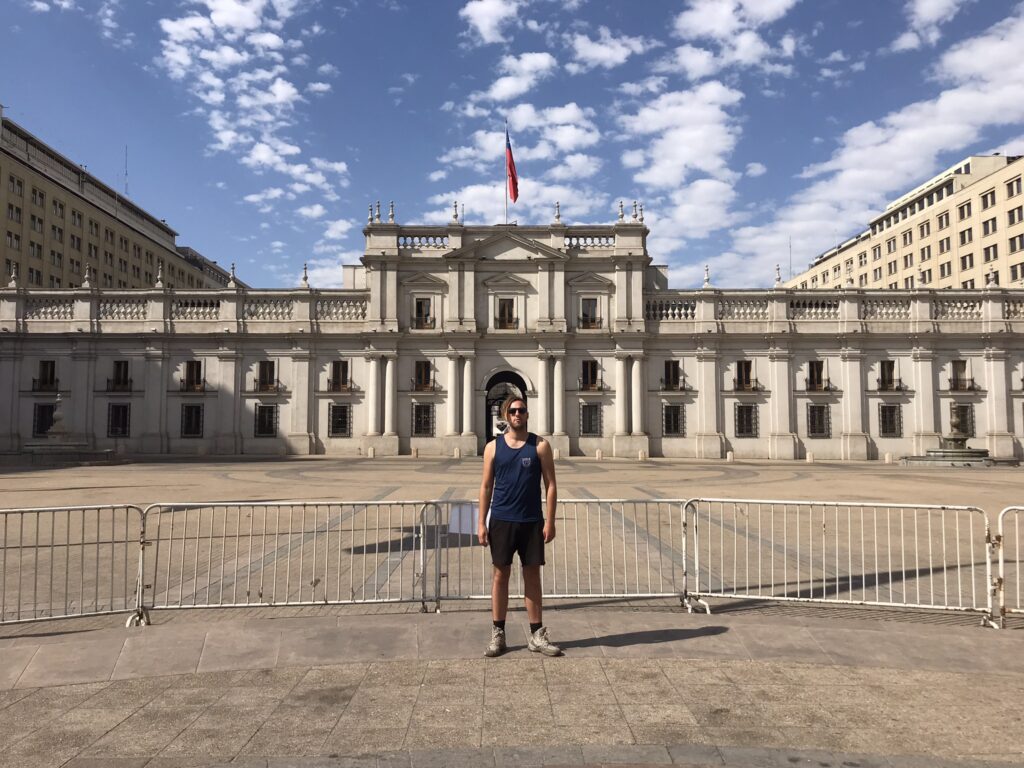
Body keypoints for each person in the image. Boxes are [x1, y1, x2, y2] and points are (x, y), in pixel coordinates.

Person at [477, 395, 561, 657]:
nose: (517, 414)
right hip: (501, 519)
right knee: (500, 576)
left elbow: (551, 485)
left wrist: (551, 520)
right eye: (512, 411)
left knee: (532, 577)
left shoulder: (540, 446)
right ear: (505, 416)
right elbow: (486, 486)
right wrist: (481, 522)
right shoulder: (492, 447)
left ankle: (537, 635)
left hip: (531, 521)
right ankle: (498, 633)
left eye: (521, 410)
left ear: (526, 414)